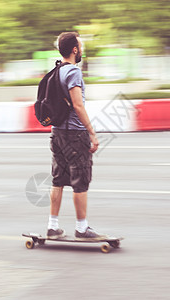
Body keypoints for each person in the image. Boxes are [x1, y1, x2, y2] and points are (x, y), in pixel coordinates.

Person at [46, 32, 107, 241]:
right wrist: (92, 133)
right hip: (74, 134)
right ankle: (82, 228)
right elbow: (78, 106)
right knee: (80, 181)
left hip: (57, 133)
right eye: (81, 46)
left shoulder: (56, 70)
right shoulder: (73, 72)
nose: (82, 50)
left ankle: (52, 226)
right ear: (74, 50)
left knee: (58, 180)